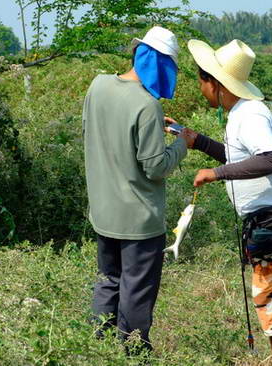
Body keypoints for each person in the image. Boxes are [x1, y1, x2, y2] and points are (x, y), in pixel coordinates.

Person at [167, 39, 272, 366]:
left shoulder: (250, 116)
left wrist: (216, 173)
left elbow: (270, 160)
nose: (199, 87)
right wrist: (198, 141)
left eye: (201, 81)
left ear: (216, 83)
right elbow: (242, 157)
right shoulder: (240, 112)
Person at [82, 26, 191, 353]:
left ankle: (98, 351)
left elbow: (101, 132)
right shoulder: (147, 106)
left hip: (103, 213)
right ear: (161, 64)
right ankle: (134, 355)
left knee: (108, 283)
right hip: (139, 222)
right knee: (136, 293)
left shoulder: (98, 85)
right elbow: (156, 167)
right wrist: (181, 144)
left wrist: (154, 128)